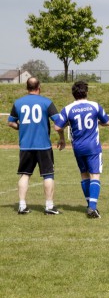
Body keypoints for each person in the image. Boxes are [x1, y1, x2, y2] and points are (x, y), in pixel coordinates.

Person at [7, 77, 66, 215]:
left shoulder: (18, 103)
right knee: (48, 175)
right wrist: (62, 138)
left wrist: (20, 128)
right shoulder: (46, 102)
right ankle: (49, 206)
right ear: (39, 86)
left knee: (25, 175)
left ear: (27, 87)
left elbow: (10, 122)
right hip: (43, 145)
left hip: (26, 146)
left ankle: (22, 206)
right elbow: (58, 123)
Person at [54, 81, 109, 219]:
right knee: (95, 175)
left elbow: (57, 127)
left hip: (78, 147)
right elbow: (108, 122)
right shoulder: (95, 106)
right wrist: (97, 122)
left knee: (84, 175)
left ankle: (89, 205)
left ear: (73, 94)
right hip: (93, 146)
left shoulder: (68, 109)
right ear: (86, 92)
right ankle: (92, 207)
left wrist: (62, 138)